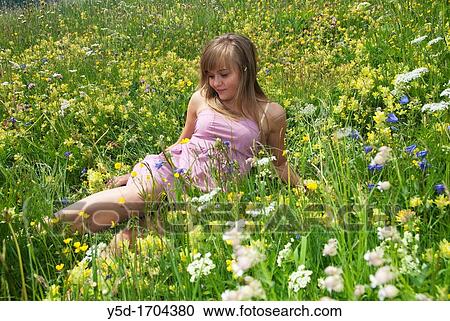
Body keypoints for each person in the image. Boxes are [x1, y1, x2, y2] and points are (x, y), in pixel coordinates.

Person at [54, 33, 301, 249]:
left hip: (210, 194)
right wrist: (134, 175)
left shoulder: (271, 114)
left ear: (246, 71)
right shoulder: (201, 98)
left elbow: (279, 163)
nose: (215, 83)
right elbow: (183, 142)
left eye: (224, 75)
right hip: (172, 171)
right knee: (135, 197)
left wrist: (305, 189)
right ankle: (51, 227)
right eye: (210, 75)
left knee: (134, 241)